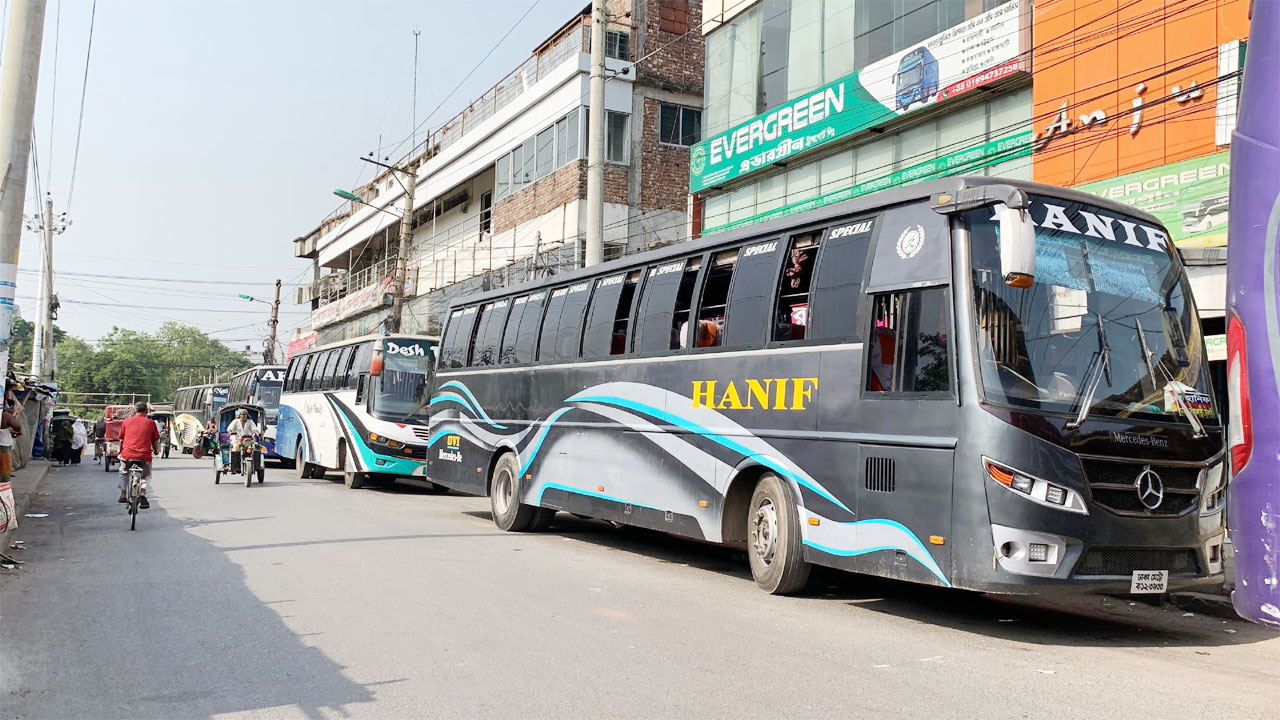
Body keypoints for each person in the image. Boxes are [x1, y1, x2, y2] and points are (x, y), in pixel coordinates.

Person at [117, 401, 160, 508]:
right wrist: (156, 451)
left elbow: (121, 439)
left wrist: (121, 451)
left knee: (123, 472)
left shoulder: (126, 421)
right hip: (144, 456)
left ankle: (123, 493)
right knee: (146, 475)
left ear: (134, 411)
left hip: (127, 455)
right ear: (147, 411)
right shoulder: (150, 423)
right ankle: (143, 492)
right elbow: (155, 441)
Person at [0, 402, 24, 485]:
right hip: (3, 446)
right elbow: (17, 426)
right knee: (4, 468)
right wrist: (13, 418)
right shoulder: (5, 415)